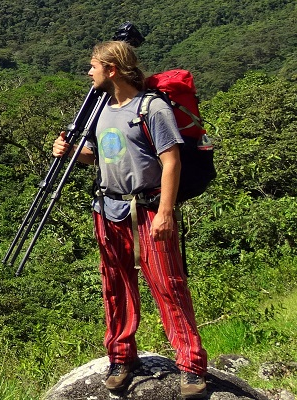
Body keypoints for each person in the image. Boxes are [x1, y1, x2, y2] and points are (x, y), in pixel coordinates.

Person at [51, 40, 208, 397]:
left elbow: (172, 160)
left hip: (149, 209)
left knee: (169, 287)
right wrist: (73, 152)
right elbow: (98, 154)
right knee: (115, 286)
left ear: (112, 70)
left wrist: (165, 212)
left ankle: (191, 366)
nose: (88, 72)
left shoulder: (152, 108)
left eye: (93, 66)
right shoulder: (100, 110)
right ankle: (122, 357)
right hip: (108, 209)